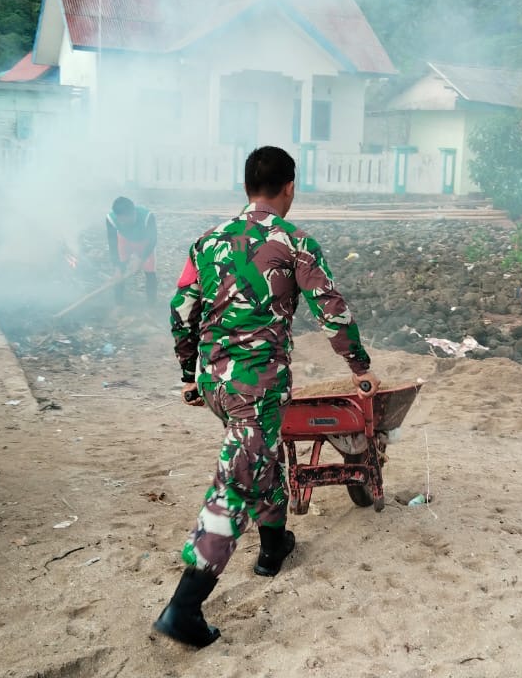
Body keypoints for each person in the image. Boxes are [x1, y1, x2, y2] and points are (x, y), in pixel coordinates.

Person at [155, 146, 380, 648]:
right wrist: (359, 368)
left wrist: (189, 374)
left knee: (261, 456)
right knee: (236, 481)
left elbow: (181, 308)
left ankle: (274, 548)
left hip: (215, 382)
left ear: (246, 186)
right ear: (290, 186)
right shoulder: (295, 242)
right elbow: (331, 310)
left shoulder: (207, 241)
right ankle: (184, 608)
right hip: (257, 385)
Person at [106, 196, 158, 305]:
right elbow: (112, 243)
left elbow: (153, 240)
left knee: (150, 272)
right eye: (122, 221)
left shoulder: (147, 216)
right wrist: (117, 267)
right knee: (119, 273)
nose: (125, 223)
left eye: (128, 219)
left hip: (144, 242)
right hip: (124, 241)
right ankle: (119, 304)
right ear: (117, 216)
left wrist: (140, 259)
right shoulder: (111, 219)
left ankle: (151, 304)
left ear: (134, 212)